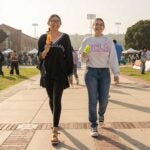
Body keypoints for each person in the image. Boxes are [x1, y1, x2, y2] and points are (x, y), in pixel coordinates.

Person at [79, 18, 119, 137]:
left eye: (101, 24)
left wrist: (116, 73)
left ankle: (101, 113)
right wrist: (84, 56)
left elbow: (113, 57)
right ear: (93, 26)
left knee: (104, 99)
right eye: (96, 24)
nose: (98, 26)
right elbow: (82, 58)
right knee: (92, 100)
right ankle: (93, 125)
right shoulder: (88, 40)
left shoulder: (107, 41)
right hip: (91, 72)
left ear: (104, 27)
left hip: (104, 73)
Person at [38, 14, 73, 145]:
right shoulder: (43, 38)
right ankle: (55, 120)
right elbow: (40, 57)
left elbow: (68, 55)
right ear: (48, 23)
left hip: (60, 73)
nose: (55, 23)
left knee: (57, 99)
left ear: (60, 24)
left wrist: (70, 73)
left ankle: (54, 131)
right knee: (51, 99)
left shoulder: (65, 38)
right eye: (52, 21)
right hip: (47, 73)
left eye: (57, 21)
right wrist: (45, 51)